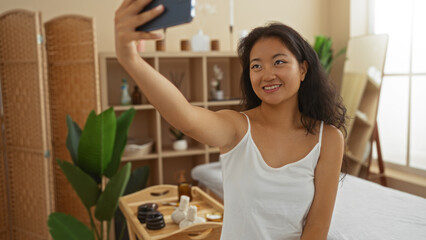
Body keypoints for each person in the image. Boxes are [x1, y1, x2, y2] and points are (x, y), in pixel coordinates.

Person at [114, 0, 347, 239]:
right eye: (256, 66)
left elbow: (317, 226)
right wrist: (130, 59)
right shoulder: (237, 128)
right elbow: (185, 117)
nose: (267, 74)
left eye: (279, 61)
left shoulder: (328, 138)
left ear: (303, 69)